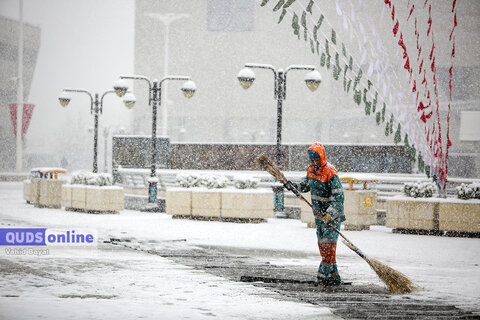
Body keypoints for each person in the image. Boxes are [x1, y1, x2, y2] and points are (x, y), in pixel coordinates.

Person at [287, 142, 345, 285]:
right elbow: (305, 185)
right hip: (319, 216)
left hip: (332, 217)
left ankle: (322, 276)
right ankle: (334, 277)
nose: (314, 163)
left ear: (322, 157)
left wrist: (330, 213)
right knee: (323, 246)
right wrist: (293, 186)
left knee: (328, 247)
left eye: (316, 159)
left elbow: (339, 197)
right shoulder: (311, 171)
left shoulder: (330, 172)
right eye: (311, 160)